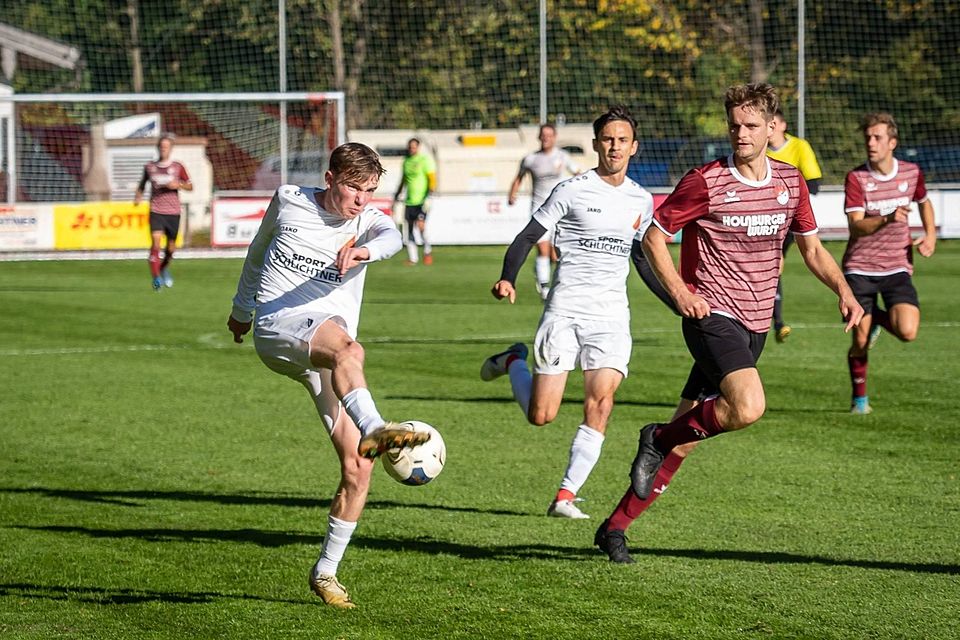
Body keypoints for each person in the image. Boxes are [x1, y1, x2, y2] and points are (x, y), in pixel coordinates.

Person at [595, 84, 864, 563]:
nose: (741, 133)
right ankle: (653, 437)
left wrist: (844, 291)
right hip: (712, 315)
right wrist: (681, 294)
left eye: (751, 126)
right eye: (735, 125)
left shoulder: (791, 182)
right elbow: (654, 239)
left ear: (772, 127)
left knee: (687, 439)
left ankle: (614, 528)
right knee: (748, 406)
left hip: (756, 324)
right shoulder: (706, 181)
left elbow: (813, 249)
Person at [227, 142, 431, 609]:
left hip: (325, 352)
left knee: (359, 467)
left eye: (370, 190)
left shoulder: (367, 221)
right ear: (330, 178)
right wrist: (241, 311)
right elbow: (257, 254)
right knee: (348, 348)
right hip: (279, 330)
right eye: (354, 188)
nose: (362, 199)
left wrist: (364, 251)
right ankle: (377, 428)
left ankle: (325, 572)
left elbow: (392, 237)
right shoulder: (289, 200)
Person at [481, 106, 654, 519]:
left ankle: (566, 494)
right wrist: (508, 277)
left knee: (602, 402)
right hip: (565, 310)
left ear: (634, 147)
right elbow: (527, 237)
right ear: (596, 144)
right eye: (607, 139)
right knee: (541, 415)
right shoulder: (572, 190)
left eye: (622, 139)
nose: (614, 146)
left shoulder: (642, 200)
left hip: (611, 317)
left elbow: (643, 260)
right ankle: (514, 361)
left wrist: (679, 302)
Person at [842, 112, 936, 415]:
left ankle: (876, 320)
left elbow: (924, 202)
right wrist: (886, 218)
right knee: (859, 339)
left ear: (892, 142)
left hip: (897, 266)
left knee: (908, 332)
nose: (871, 142)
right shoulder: (857, 178)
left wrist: (930, 235)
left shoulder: (911, 172)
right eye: (868, 137)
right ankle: (859, 401)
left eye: (878, 137)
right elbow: (856, 226)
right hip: (859, 268)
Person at [766, 109, 823, 342]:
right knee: (770, 266)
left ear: (781, 125)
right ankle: (775, 322)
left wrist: (783, 195)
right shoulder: (758, 151)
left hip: (789, 219)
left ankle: (777, 322)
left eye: (774, 123)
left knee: (775, 264)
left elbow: (815, 184)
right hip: (763, 218)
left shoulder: (799, 147)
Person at [508, 123, 580, 300]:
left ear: (554, 137)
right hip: (539, 209)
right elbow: (518, 178)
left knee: (556, 254)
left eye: (549, 135)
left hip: (560, 209)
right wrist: (512, 194)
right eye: (543, 135)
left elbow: (579, 173)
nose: (546, 138)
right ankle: (545, 289)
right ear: (539, 137)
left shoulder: (562, 156)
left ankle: (547, 277)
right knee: (543, 249)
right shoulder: (531, 159)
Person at [134, 134, 192, 291]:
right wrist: (138, 197)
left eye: (166, 146)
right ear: (158, 148)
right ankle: (156, 278)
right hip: (156, 210)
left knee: (171, 249)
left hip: (173, 212)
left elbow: (190, 186)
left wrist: (178, 184)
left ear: (171, 148)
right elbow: (141, 185)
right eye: (161, 146)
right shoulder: (150, 167)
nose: (163, 149)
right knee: (156, 243)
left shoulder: (178, 167)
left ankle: (163, 268)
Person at [393, 138, 437, 265]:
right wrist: (397, 194)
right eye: (410, 147)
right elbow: (404, 180)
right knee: (410, 228)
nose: (411, 149)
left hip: (422, 200)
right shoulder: (406, 161)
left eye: (413, 147)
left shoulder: (424, 160)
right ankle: (413, 258)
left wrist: (430, 195)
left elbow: (432, 178)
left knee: (421, 226)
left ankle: (427, 251)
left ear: (418, 147)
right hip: (409, 201)